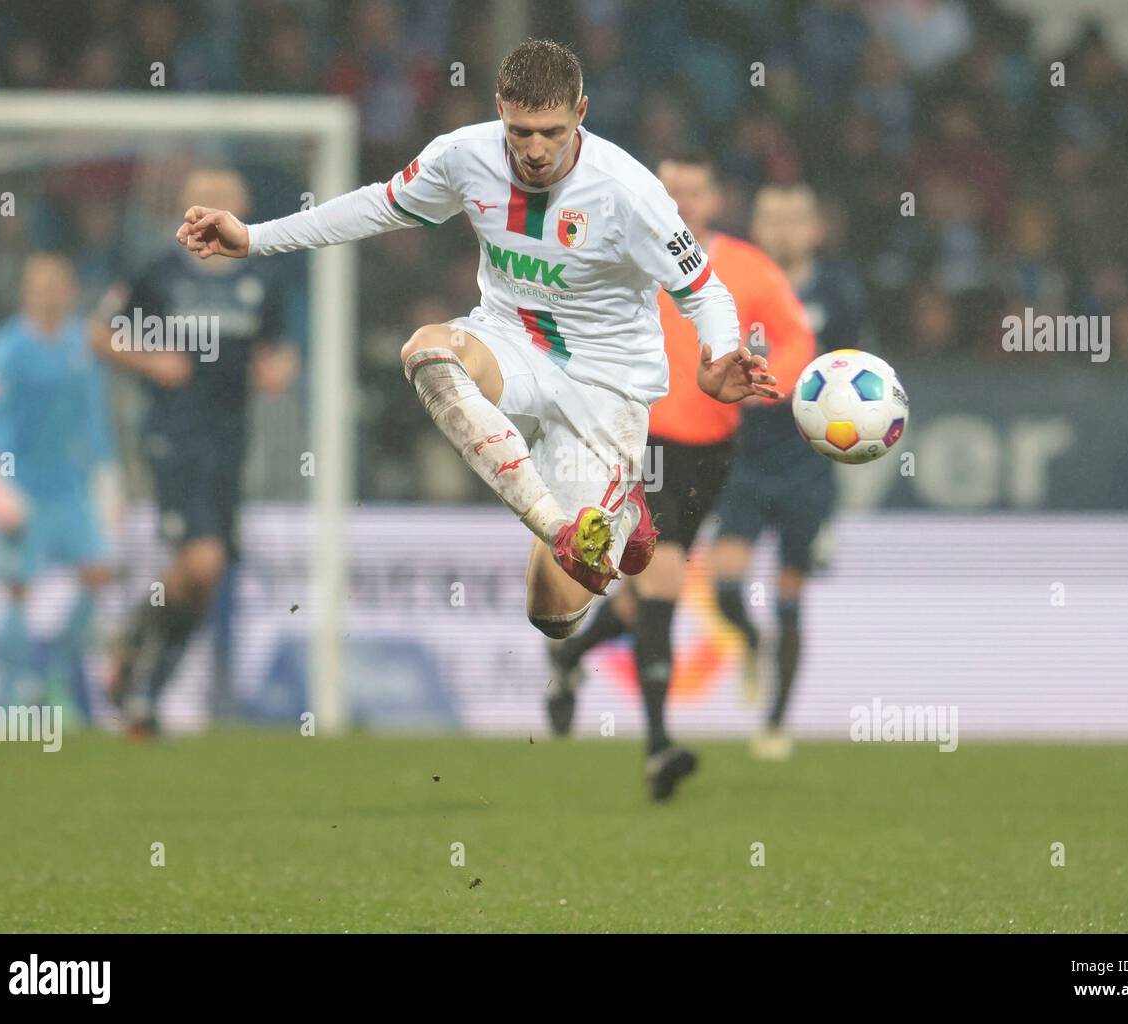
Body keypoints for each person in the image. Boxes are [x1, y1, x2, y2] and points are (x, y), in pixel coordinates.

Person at [172, 39, 777, 793]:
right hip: (510, 340)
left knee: (552, 614)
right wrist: (255, 238)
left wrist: (719, 353)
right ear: (500, 113)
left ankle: (604, 517)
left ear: (580, 116)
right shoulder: (465, 156)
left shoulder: (630, 190)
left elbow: (705, 291)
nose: (533, 148)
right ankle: (567, 526)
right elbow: (377, 207)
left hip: (607, 386)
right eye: (520, 130)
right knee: (427, 352)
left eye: (552, 132)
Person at [545, 154, 814, 797]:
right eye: (672, 190)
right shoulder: (621, 257)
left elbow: (797, 338)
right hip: (638, 443)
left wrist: (767, 385)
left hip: (712, 452)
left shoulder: (748, 268)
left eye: (695, 190)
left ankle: (570, 656)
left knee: (641, 597)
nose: (683, 201)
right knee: (662, 577)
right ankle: (659, 748)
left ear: (714, 199)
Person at [92, 166, 298, 736]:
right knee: (202, 560)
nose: (210, 212)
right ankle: (140, 667)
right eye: (201, 202)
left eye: (223, 202)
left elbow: (279, 349)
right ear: (184, 210)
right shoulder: (155, 272)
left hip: (229, 439)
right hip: (172, 433)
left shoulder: (261, 277)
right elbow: (101, 334)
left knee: (205, 575)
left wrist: (276, 368)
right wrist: (150, 358)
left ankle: (142, 684)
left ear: (243, 208)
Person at [711, 185, 869, 760]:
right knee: (725, 583)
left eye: (794, 219)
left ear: (815, 230)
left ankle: (776, 720)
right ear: (754, 225)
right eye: (770, 218)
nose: (781, 230)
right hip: (745, 461)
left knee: (790, 596)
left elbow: (859, 376)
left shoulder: (838, 292)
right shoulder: (731, 287)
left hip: (808, 464)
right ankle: (751, 643)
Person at [0, 254, 117, 717]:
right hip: (19, 485)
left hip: (68, 487)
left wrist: (109, 479)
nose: (49, 294)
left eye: (58, 285)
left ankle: (57, 677)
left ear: (71, 291)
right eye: (40, 286)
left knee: (97, 573)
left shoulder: (79, 346)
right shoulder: (5, 347)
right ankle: (15, 696)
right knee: (17, 587)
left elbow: (94, 419)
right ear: (26, 293)